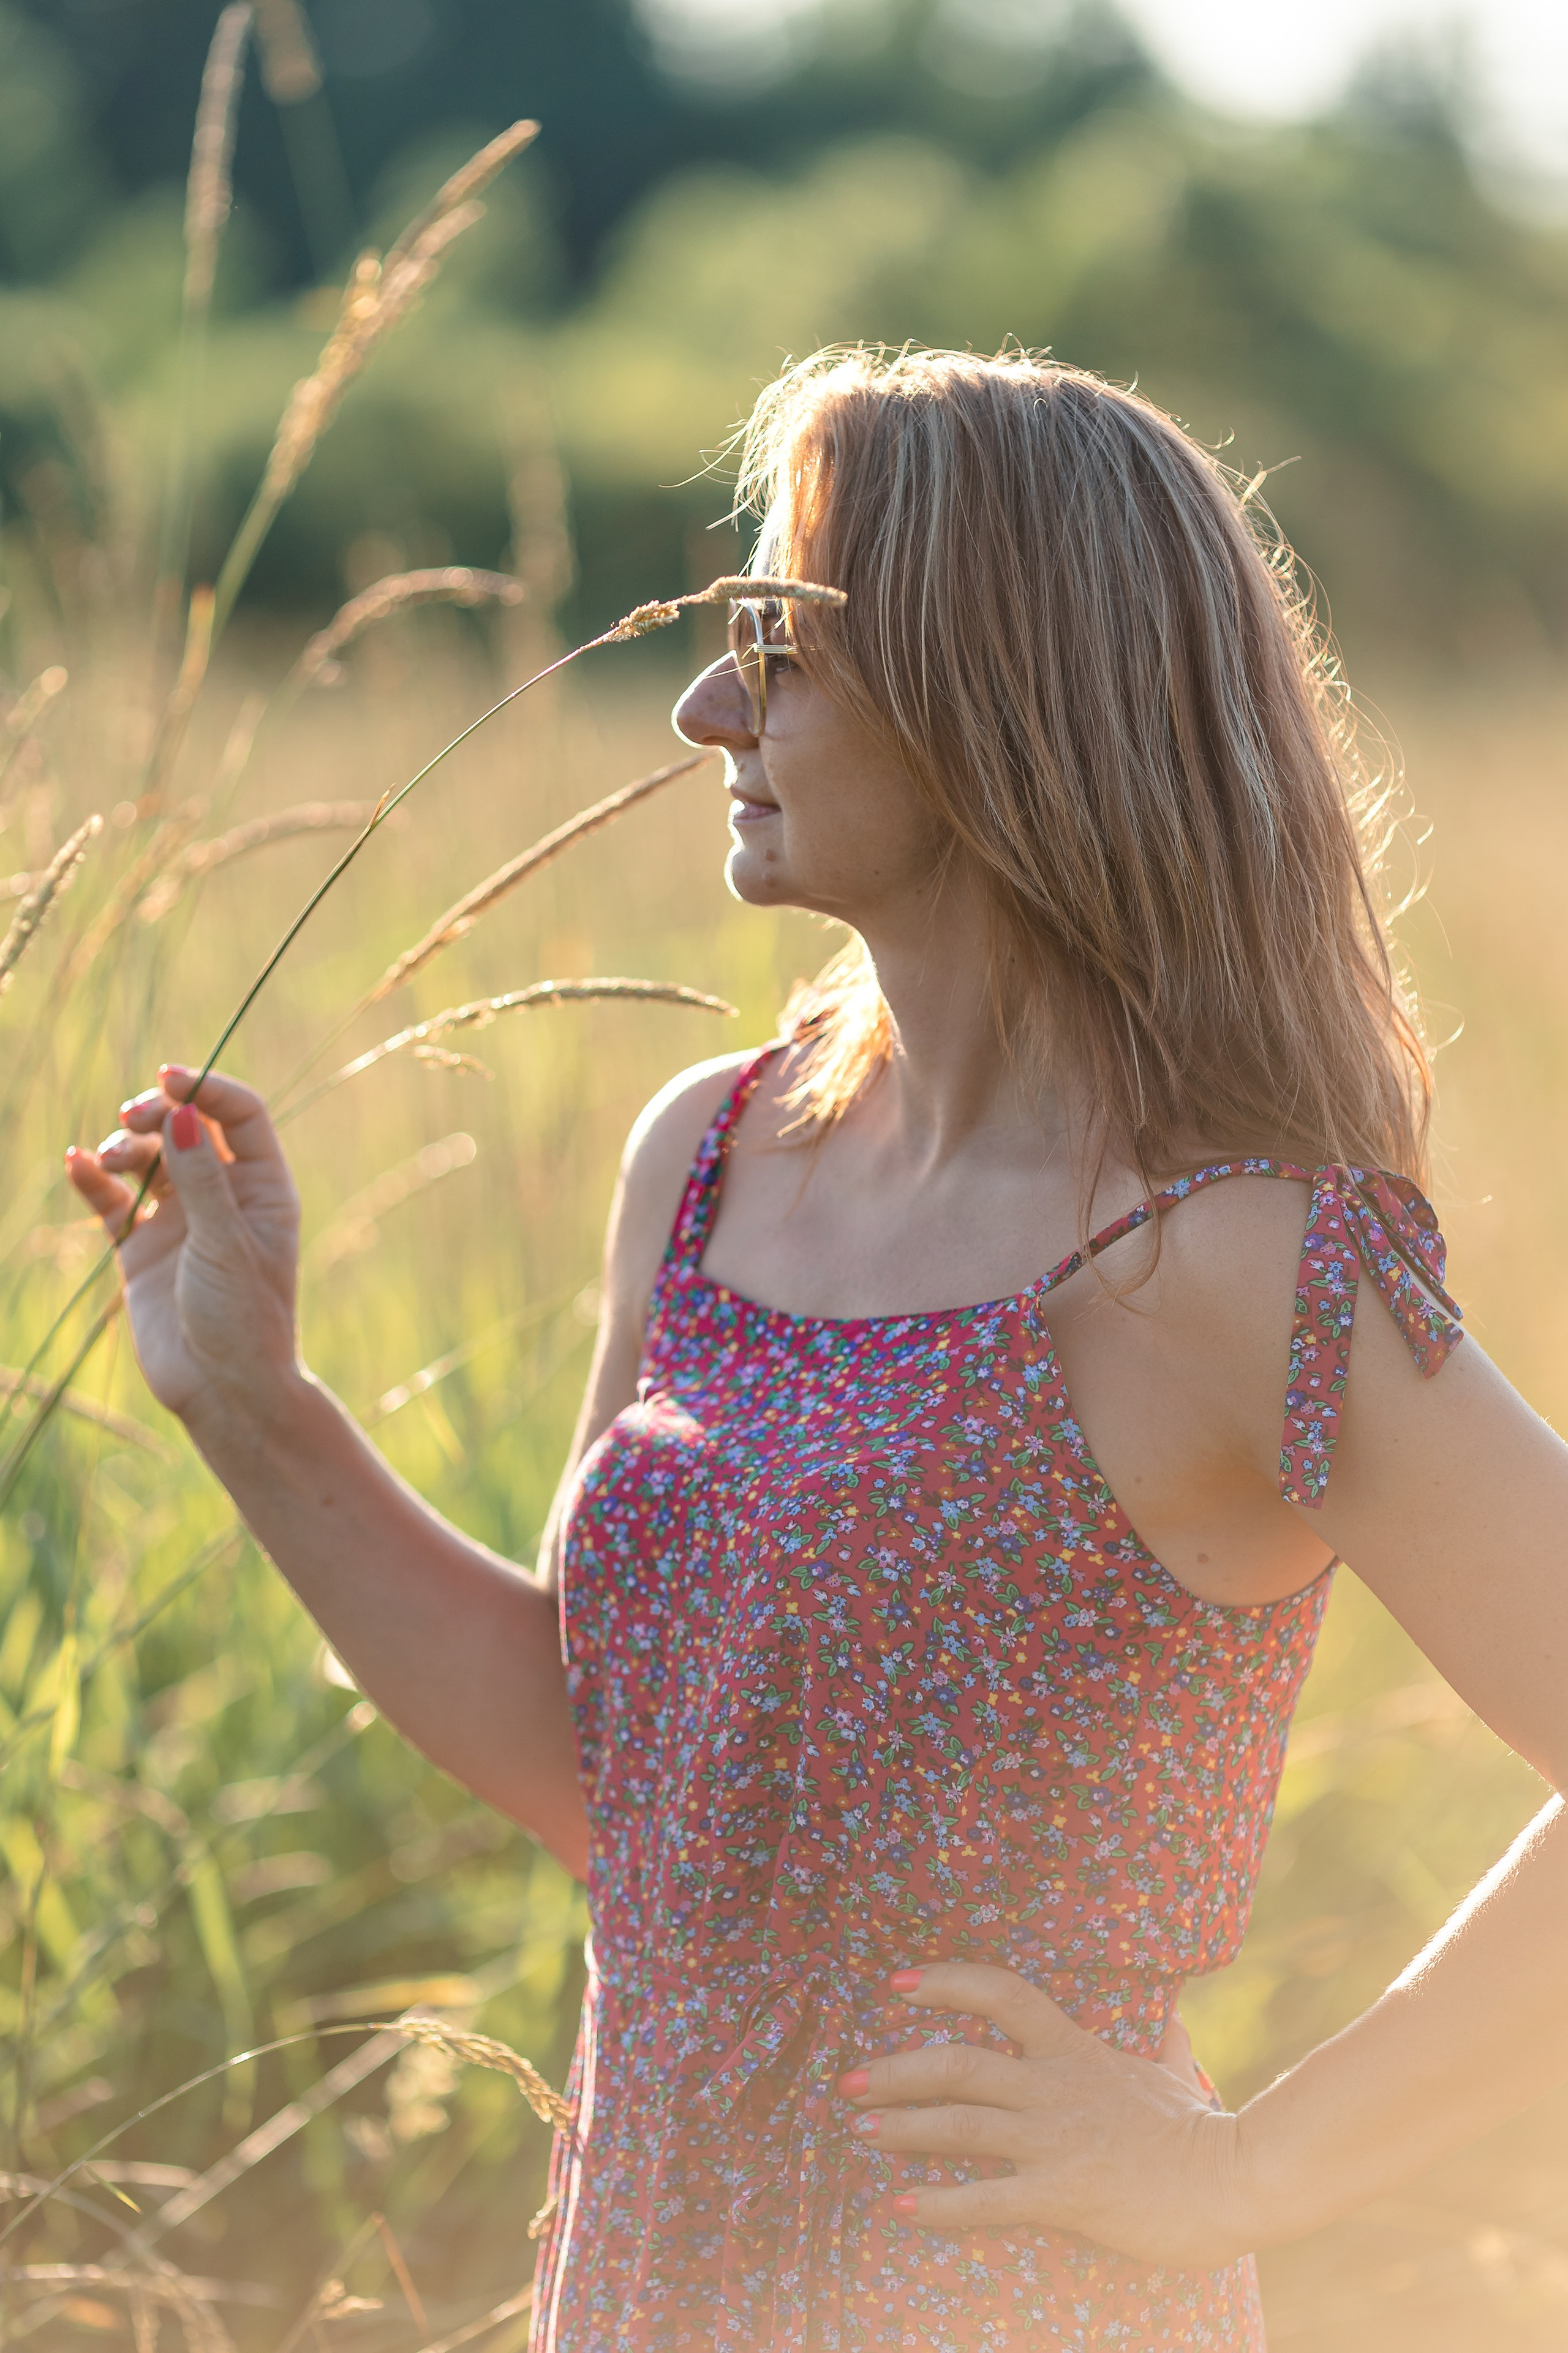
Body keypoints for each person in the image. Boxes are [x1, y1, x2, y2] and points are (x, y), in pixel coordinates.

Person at [67, 347, 1568, 2353]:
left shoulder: (1222, 1260)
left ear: (998, 696)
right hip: (646, 2267)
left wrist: (1250, 2167)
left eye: (775, 641)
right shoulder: (708, 1156)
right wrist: (255, 1408)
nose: (703, 707)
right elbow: (616, 1775)